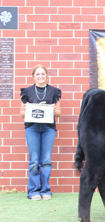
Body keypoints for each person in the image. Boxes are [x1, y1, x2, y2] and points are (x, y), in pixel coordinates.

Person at [20, 65, 62, 201]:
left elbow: (58, 113)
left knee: (46, 160)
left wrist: (50, 109)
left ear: (46, 75)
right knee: (34, 160)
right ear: (33, 76)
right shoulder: (27, 92)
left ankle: (45, 190)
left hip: (48, 128)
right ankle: (33, 191)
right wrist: (27, 109)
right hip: (32, 128)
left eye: (42, 74)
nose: (40, 76)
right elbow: (21, 114)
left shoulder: (54, 91)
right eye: (37, 74)